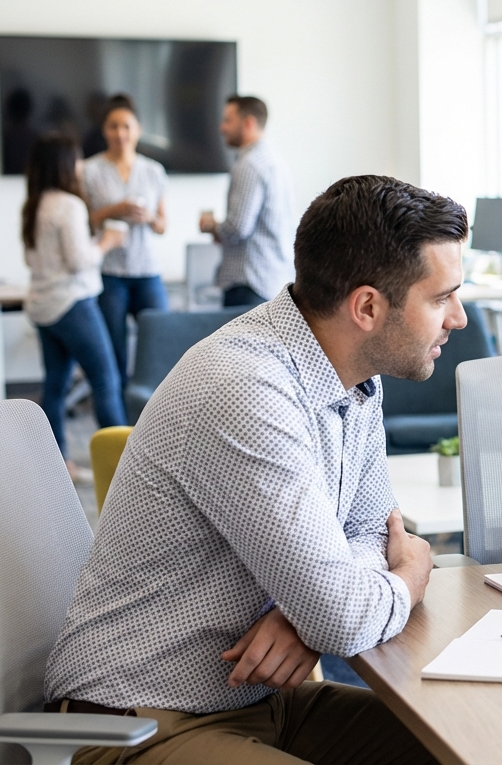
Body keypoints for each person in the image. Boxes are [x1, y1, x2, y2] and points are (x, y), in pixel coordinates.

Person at [44, 175, 470, 763]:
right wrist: (408, 575)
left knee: (463, 745)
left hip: (263, 702)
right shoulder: (247, 389)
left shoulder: (355, 378)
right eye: (442, 296)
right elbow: (362, 595)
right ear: (367, 306)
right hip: (136, 721)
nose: (460, 318)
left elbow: (372, 532)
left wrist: (306, 618)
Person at [20, 133, 127, 482]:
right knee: (106, 379)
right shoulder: (69, 205)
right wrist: (108, 241)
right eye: (78, 159)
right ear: (67, 164)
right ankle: (125, 467)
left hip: (42, 305)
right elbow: (80, 261)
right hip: (73, 304)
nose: (82, 166)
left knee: (55, 384)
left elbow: (32, 257)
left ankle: (58, 465)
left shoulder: (34, 204)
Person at [83, 95, 169, 394]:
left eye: (126, 126)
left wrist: (147, 218)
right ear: (104, 130)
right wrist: (113, 210)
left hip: (147, 271)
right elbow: (85, 221)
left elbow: (162, 226)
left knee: (160, 347)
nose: (120, 133)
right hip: (110, 274)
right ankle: (118, 427)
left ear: (138, 129)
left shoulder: (154, 171)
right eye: (113, 126)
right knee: (114, 354)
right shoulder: (89, 170)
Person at [199, 95, 293, 307]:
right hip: (274, 280)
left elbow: (237, 228)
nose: (222, 127)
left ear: (248, 123)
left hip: (249, 282)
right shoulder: (275, 160)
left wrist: (211, 226)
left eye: (228, 120)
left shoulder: (249, 165)